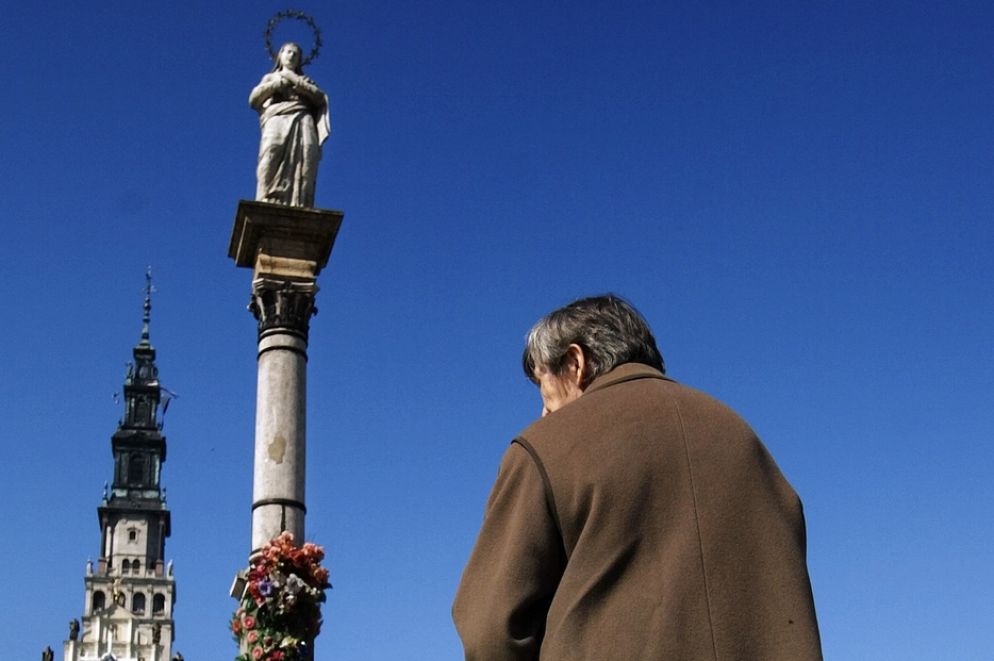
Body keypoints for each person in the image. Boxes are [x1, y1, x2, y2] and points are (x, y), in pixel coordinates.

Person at [453, 295, 822, 660]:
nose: (544, 411)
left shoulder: (545, 447)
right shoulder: (744, 439)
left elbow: (490, 635)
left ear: (575, 363)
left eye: (542, 386)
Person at [249, 42, 330, 208]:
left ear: (300, 60)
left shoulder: (306, 80)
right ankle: (266, 195)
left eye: (295, 54)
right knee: (272, 150)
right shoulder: (271, 77)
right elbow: (254, 99)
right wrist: (277, 84)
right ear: (280, 55)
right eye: (288, 52)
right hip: (277, 118)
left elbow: (320, 98)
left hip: (302, 118)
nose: (291, 56)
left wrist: (297, 82)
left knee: (307, 151)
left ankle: (302, 201)